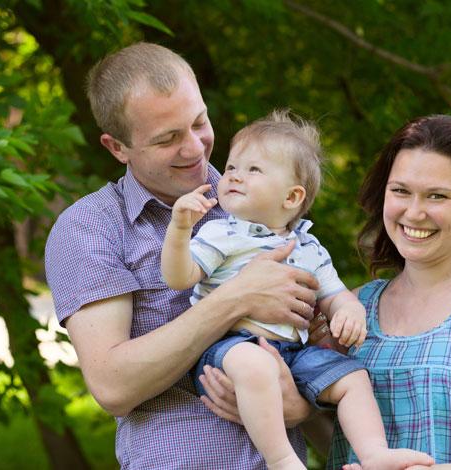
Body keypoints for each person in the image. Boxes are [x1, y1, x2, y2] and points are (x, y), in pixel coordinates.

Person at [203, 114, 451, 469]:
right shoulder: (352, 308)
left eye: (437, 196)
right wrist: (301, 414)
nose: (414, 212)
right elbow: (344, 445)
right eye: (401, 191)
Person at [44, 42, 323, 469]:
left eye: (199, 122)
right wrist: (235, 299)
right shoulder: (91, 227)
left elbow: (319, 350)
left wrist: (301, 405)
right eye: (168, 138)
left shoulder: (266, 197)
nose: (194, 148)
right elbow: (113, 386)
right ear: (117, 147)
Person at [161, 110, 434, 470]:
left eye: (253, 170)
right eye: (230, 168)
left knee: (353, 377)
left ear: (291, 197)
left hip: (295, 351)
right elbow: (180, 277)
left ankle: (373, 454)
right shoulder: (222, 233)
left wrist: (348, 311)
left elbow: (334, 293)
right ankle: (282, 460)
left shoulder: (308, 246)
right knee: (256, 365)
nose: (234, 176)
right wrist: (179, 230)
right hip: (231, 347)